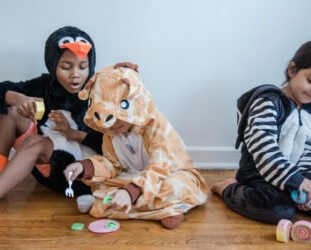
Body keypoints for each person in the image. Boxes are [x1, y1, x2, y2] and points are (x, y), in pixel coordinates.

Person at [0, 26, 133, 233]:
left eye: (83, 66)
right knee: (10, 110)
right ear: (53, 65)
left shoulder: (98, 90)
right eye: (66, 67)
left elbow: (111, 144)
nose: (76, 75)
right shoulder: (45, 85)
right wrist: (20, 99)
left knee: (34, 142)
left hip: (77, 172)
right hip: (46, 163)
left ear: (90, 65)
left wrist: (72, 134)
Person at [211, 40, 311, 224]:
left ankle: (293, 198)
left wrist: (309, 185)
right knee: (280, 211)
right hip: (260, 176)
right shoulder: (268, 102)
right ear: (293, 70)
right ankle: (229, 188)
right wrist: (294, 180)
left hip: (297, 178)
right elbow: (263, 149)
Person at [63, 65, 209, 229]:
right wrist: (84, 166)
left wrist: (130, 191)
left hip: (167, 174)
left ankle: (109, 204)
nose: (115, 123)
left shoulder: (157, 125)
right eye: (109, 119)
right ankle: (154, 207)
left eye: (122, 111)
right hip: (134, 176)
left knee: (176, 187)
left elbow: (160, 167)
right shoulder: (110, 133)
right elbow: (112, 164)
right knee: (100, 184)